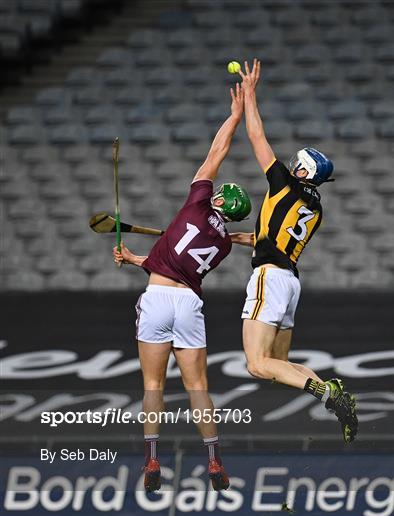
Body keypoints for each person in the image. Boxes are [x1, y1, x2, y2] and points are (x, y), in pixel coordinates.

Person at [113, 84, 252, 492]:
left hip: (157, 298)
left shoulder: (197, 202)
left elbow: (217, 150)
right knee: (198, 388)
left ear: (220, 202)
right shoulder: (224, 243)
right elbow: (179, 262)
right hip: (188, 303)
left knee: (153, 386)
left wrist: (235, 116)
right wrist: (138, 257)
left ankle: (152, 459)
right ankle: (213, 461)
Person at [238, 59, 358, 443]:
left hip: (270, 277)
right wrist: (230, 237)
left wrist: (250, 96)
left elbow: (257, 138)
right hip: (290, 280)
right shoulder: (316, 208)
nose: (291, 167)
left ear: (303, 172)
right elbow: (269, 237)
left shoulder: (284, 185)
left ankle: (325, 392)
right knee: (279, 364)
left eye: (297, 166)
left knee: (257, 365)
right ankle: (332, 395)